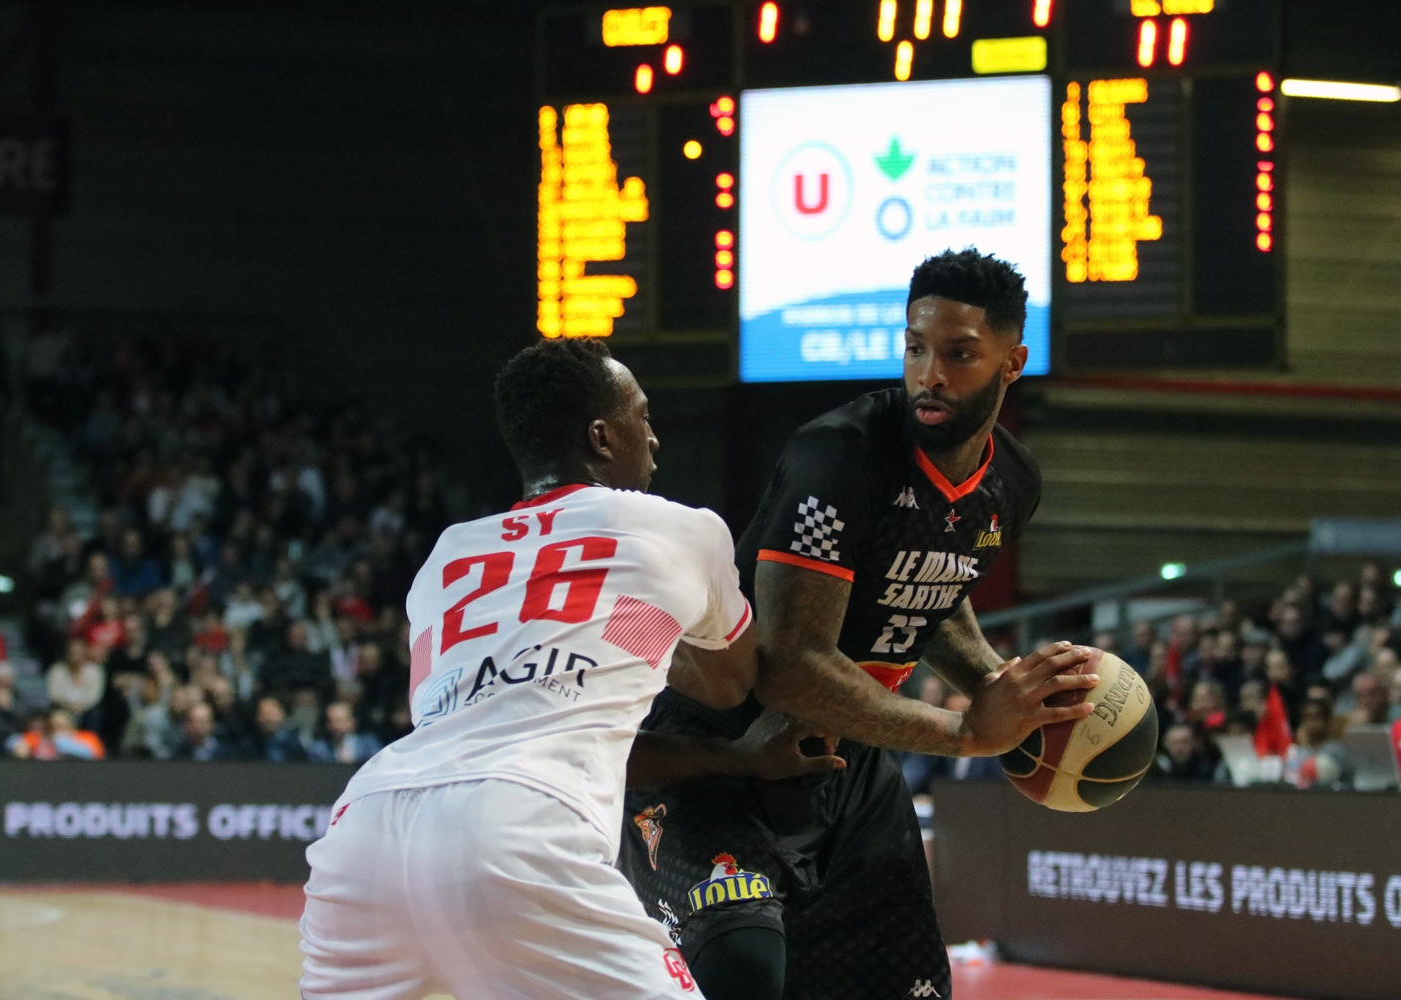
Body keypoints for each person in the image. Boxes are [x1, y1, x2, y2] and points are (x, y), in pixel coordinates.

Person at [621, 249, 1096, 1000]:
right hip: (719, 750)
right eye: (914, 348)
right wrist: (971, 733)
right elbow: (791, 663)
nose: (929, 374)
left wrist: (1002, 689)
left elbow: (930, 587)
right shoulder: (837, 455)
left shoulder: (1013, 483)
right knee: (745, 974)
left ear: (1013, 364)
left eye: (959, 354)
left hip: (851, 764)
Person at [301, 340, 838, 1000]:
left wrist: (613, 632)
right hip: (518, 822)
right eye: (643, 417)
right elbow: (728, 685)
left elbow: (522, 712)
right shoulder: (682, 527)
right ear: (601, 436)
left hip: (365, 829)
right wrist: (637, 630)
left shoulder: (447, 555)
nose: (656, 439)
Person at [308, 701, 381, 765]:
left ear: (352, 722)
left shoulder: (368, 743)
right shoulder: (320, 748)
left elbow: (378, 765)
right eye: (332, 721)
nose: (336, 726)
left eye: (340, 720)